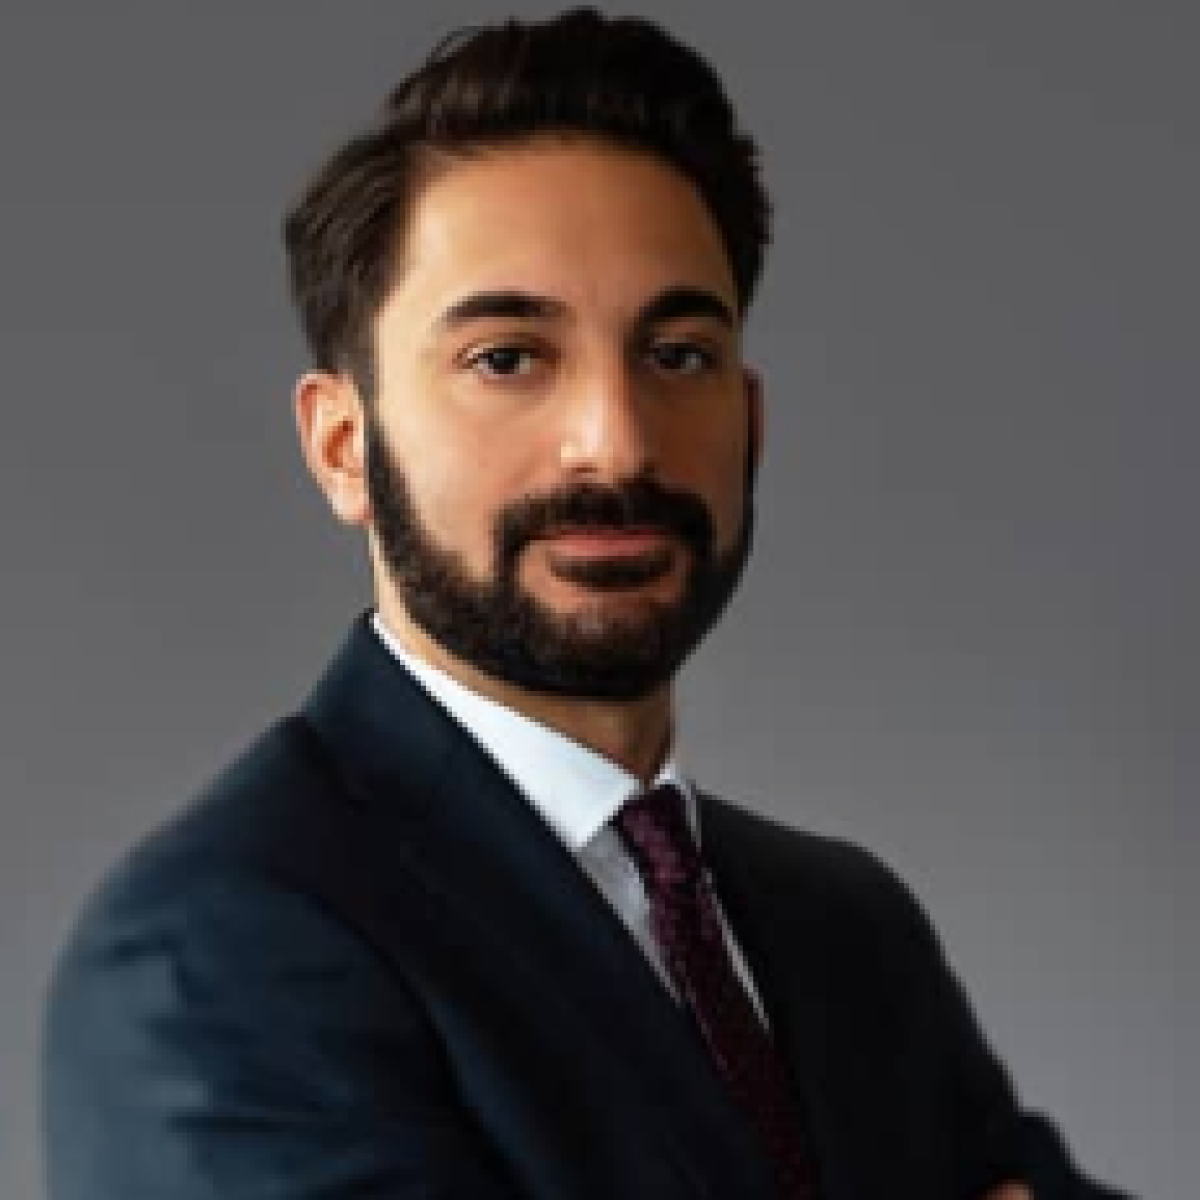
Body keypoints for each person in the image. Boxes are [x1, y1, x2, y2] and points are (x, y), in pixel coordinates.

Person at [41, 10, 1129, 1199]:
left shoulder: (850, 933)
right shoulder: (216, 948)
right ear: (345, 445)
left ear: (751, 422)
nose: (615, 442)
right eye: (508, 356)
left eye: (676, 356)